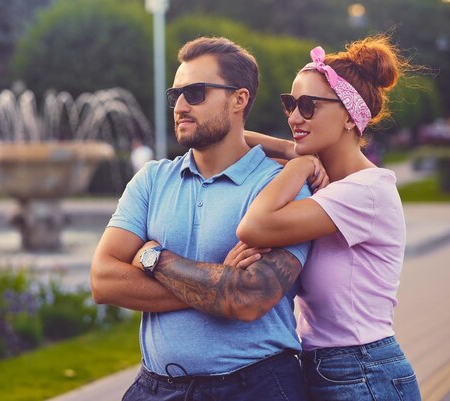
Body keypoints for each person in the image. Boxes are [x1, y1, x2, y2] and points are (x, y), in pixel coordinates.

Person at [91, 36, 312, 401]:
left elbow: (248, 298)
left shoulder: (281, 189)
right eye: (175, 95)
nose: (180, 105)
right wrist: (216, 280)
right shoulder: (152, 179)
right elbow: (103, 281)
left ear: (239, 99)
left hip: (254, 386)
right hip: (154, 387)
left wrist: (153, 257)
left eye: (195, 93)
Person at [236, 36, 421, 401]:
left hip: (364, 372)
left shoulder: (365, 192)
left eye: (308, 106)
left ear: (352, 118)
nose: (293, 117)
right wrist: (292, 148)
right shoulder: (328, 188)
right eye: (290, 104)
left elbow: (253, 226)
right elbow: (229, 141)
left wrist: (300, 161)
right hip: (333, 368)